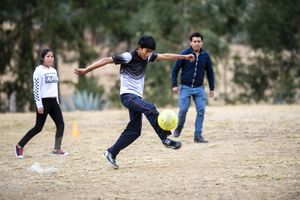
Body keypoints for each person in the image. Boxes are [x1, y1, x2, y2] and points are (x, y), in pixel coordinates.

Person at [74, 35, 194, 169]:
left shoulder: (148, 57)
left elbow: (164, 56)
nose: (148, 54)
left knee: (135, 131)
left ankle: (111, 152)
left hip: (136, 98)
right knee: (150, 108)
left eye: (150, 51)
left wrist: (184, 57)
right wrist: (85, 70)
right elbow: (106, 60)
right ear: (139, 47)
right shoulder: (128, 57)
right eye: (146, 50)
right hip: (127, 96)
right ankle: (165, 138)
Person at [14, 48, 68, 159]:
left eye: (52, 56)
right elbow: (36, 89)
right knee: (38, 127)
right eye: (48, 56)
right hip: (44, 102)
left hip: (53, 102)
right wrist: (39, 105)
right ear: (42, 58)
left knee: (61, 124)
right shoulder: (38, 71)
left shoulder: (53, 70)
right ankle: (19, 146)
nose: (50, 58)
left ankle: (57, 149)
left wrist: (57, 102)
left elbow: (54, 88)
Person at [171, 32, 215, 143]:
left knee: (201, 110)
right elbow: (175, 69)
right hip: (185, 87)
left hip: (199, 88)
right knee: (183, 109)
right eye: (194, 41)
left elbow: (210, 72)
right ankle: (179, 127)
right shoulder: (184, 54)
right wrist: (174, 85)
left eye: (199, 41)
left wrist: (212, 88)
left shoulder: (206, 56)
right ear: (191, 42)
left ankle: (198, 136)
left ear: (202, 42)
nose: (197, 43)